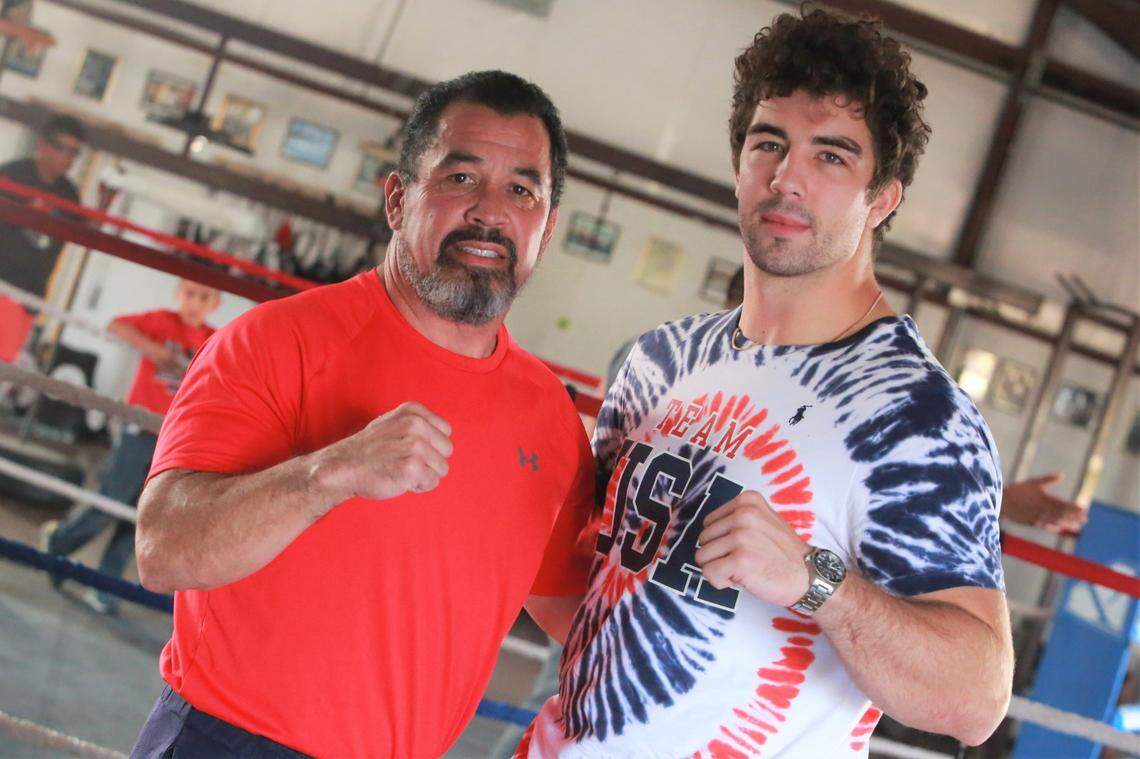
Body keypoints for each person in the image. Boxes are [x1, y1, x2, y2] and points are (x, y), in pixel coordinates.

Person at [519, 10, 1013, 756]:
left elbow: (974, 701)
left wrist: (819, 581)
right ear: (738, 159)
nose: (787, 178)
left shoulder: (914, 415)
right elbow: (598, 601)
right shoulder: (660, 361)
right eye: (769, 144)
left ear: (884, 198)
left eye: (833, 156)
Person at [129, 71, 593, 758]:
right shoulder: (277, 340)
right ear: (399, 198)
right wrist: (326, 473)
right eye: (461, 179)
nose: (491, 212)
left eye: (522, 191)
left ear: (545, 230)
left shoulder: (549, 419)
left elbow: (578, 612)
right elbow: (162, 549)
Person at [40, 279, 220, 614]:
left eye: (204, 296)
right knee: (112, 500)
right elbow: (115, 325)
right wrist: (151, 348)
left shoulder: (212, 339)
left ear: (214, 303)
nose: (195, 302)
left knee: (143, 515)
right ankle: (59, 542)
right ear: (179, 295)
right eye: (190, 294)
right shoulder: (163, 321)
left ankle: (104, 586)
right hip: (140, 427)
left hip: (175, 437)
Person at [0, 114, 85, 299]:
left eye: (74, 152)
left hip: (28, 293)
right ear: (43, 145)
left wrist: (105, 202)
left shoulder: (70, 195)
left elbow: (85, 233)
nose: (68, 158)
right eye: (63, 149)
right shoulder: (12, 175)